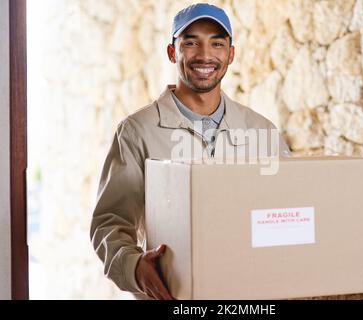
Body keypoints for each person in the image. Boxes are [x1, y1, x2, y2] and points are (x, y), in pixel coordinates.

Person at [90, 3, 290, 300]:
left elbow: (287, 212)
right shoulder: (137, 131)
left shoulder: (263, 132)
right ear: (172, 52)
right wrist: (134, 268)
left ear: (231, 54)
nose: (205, 55)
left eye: (217, 43)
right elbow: (111, 223)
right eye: (191, 42)